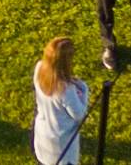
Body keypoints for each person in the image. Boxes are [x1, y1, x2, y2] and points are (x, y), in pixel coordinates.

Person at [32, 37, 90, 165]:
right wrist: (84, 90)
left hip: (43, 135)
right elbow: (79, 114)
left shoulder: (39, 69)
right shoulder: (66, 90)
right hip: (61, 144)